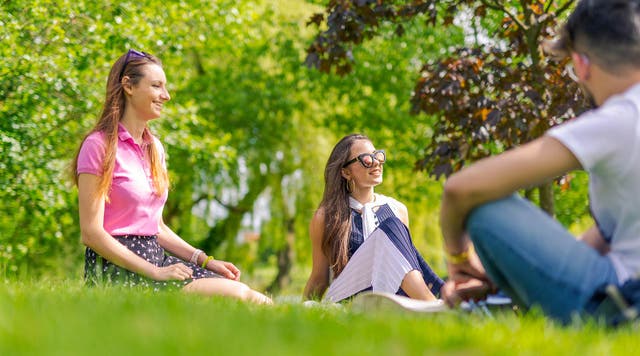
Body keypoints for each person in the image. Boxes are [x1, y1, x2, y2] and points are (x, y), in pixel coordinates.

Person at [439, 0, 640, 323]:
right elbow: (608, 234)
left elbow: (460, 189)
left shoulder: (621, 117)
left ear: (582, 64)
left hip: (622, 305)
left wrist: (458, 256)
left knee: (486, 209)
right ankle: (499, 301)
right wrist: (521, 269)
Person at [72, 49, 271, 304]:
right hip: (117, 268)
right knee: (241, 298)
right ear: (128, 86)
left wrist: (206, 260)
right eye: (156, 86)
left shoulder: (155, 148)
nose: (166, 96)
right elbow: (91, 233)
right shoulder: (98, 146)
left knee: (257, 298)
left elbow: (157, 226)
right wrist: (155, 272)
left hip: (156, 258)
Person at [303, 134, 443, 302]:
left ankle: (446, 297)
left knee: (396, 232)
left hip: (391, 297)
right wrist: (298, 316)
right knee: (391, 226)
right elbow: (319, 278)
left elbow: (406, 265)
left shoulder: (397, 209)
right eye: (366, 159)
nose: (376, 162)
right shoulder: (326, 217)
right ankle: (434, 303)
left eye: (378, 155)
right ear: (346, 172)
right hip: (350, 299)